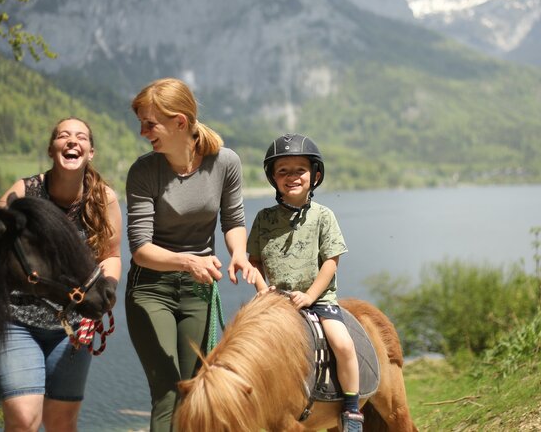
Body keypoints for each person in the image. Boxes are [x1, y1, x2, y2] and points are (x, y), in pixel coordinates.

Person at [124, 77, 257, 431]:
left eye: (149, 124)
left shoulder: (225, 162)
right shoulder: (143, 172)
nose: (142, 132)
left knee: (196, 390)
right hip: (151, 289)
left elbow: (233, 220)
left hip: (197, 290)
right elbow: (140, 250)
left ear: (179, 122)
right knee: (168, 392)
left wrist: (239, 254)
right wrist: (187, 261)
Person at [0, 117, 122, 432]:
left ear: (91, 152)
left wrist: (105, 296)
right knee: (24, 419)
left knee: (62, 423)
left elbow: (111, 256)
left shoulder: (104, 198)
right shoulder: (24, 192)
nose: (72, 141)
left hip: (74, 329)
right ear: (52, 149)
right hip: (16, 321)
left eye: (80, 137)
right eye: (63, 136)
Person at [246, 133, 365, 432]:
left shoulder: (324, 216)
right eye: (282, 171)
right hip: (276, 302)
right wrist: (264, 290)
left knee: (342, 344)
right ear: (273, 179)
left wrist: (311, 295)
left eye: (300, 170)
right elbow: (254, 261)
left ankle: (351, 410)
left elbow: (331, 261)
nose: (292, 177)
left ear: (315, 175)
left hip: (320, 299)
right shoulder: (263, 218)